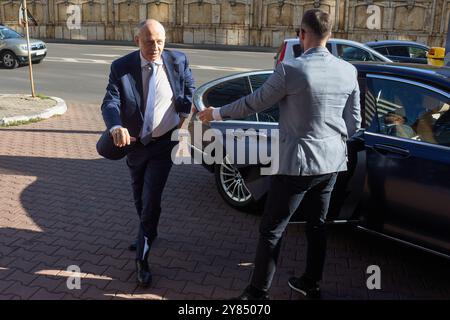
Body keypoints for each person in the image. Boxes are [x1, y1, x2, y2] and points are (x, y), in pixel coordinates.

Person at [197, 9, 361, 300]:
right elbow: (355, 123)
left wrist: (217, 113)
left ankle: (257, 294)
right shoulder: (348, 71)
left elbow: (255, 103)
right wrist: (331, 139)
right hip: (332, 161)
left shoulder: (291, 69)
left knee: (272, 228)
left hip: (296, 164)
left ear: (302, 34)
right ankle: (311, 283)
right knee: (317, 224)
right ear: (330, 36)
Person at [100, 19, 195, 287]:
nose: (156, 47)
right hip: (134, 143)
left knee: (152, 195)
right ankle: (148, 230)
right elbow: (111, 100)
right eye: (149, 41)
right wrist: (115, 125)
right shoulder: (122, 67)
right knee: (138, 191)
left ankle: (142, 258)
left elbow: (189, 88)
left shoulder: (178, 60)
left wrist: (184, 116)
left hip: (163, 144)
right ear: (137, 40)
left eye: (160, 41)